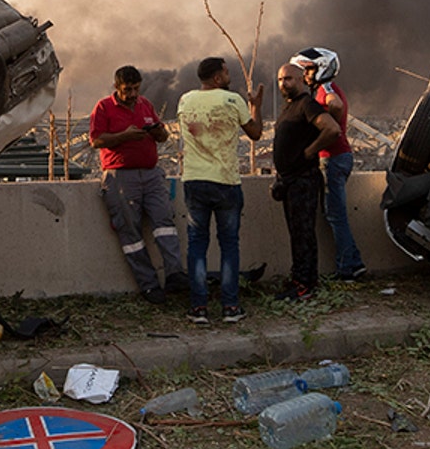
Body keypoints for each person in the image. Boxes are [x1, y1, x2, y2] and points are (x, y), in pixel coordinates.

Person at [176, 57, 264, 324]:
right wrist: (255, 107)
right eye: (225, 72)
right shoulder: (232, 100)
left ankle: (199, 308)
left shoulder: (185, 100)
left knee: (197, 245)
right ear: (216, 78)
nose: (228, 75)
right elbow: (256, 133)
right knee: (229, 245)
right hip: (226, 182)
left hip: (195, 181)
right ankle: (230, 307)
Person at [89, 66, 184, 303]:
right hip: (120, 178)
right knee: (130, 232)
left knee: (164, 222)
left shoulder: (145, 105)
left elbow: (162, 137)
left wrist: (158, 132)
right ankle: (149, 285)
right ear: (117, 87)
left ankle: (175, 275)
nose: (132, 94)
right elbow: (96, 140)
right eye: (127, 90)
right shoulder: (104, 107)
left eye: (135, 89)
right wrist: (124, 136)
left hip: (151, 175)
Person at [292, 47, 366, 281]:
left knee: (336, 216)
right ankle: (352, 261)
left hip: (333, 158)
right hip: (337, 157)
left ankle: (348, 268)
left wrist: (325, 127)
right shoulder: (326, 89)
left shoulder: (326, 89)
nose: (305, 75)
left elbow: (335, 106)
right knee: (333, 214)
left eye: (309, 70)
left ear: (322, 68)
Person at [271, 62, 341, 300]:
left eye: (289, 78)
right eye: (280, 79)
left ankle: (305, 286)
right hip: (289, 181)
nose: (284, 83)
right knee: (296, 233)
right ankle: (299, 279)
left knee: (303, 233)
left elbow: (332, 129)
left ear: (301, 79)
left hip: (303, 180)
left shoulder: (306, 104)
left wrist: (310, 152)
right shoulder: (290, 107)